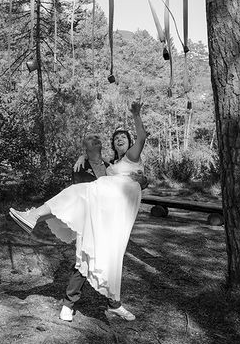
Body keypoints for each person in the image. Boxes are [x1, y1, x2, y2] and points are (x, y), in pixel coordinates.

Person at [9, 101, 148, 322]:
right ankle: (72, 304)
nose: (120, 139)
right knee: (87, 249)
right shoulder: (112, 164)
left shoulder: (133, 157)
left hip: (118, 212)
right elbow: (96, 158)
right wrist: (83, 156)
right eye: (116, 137)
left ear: (130, 143)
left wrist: (136, 114)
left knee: (109, 253)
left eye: (124, 136)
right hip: (104, 209)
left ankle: (114, 303)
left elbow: (142, 137)